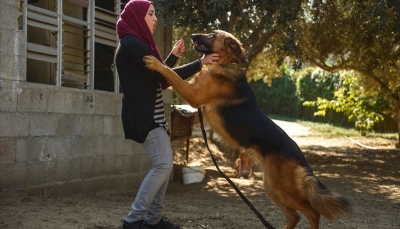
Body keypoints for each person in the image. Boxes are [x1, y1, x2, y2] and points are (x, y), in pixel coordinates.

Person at [115, 1, 220, 229]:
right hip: (147, 117)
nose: (155, 19)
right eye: (150, 14)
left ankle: (152, 220)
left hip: (152, 116)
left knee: (164, 165)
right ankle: (134, 220)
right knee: (163, 166)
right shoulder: (133, 44)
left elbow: (160, 77)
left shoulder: (134, 44)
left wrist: (172, 57)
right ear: (137, 17)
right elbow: (163, 76)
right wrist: (200, 63)